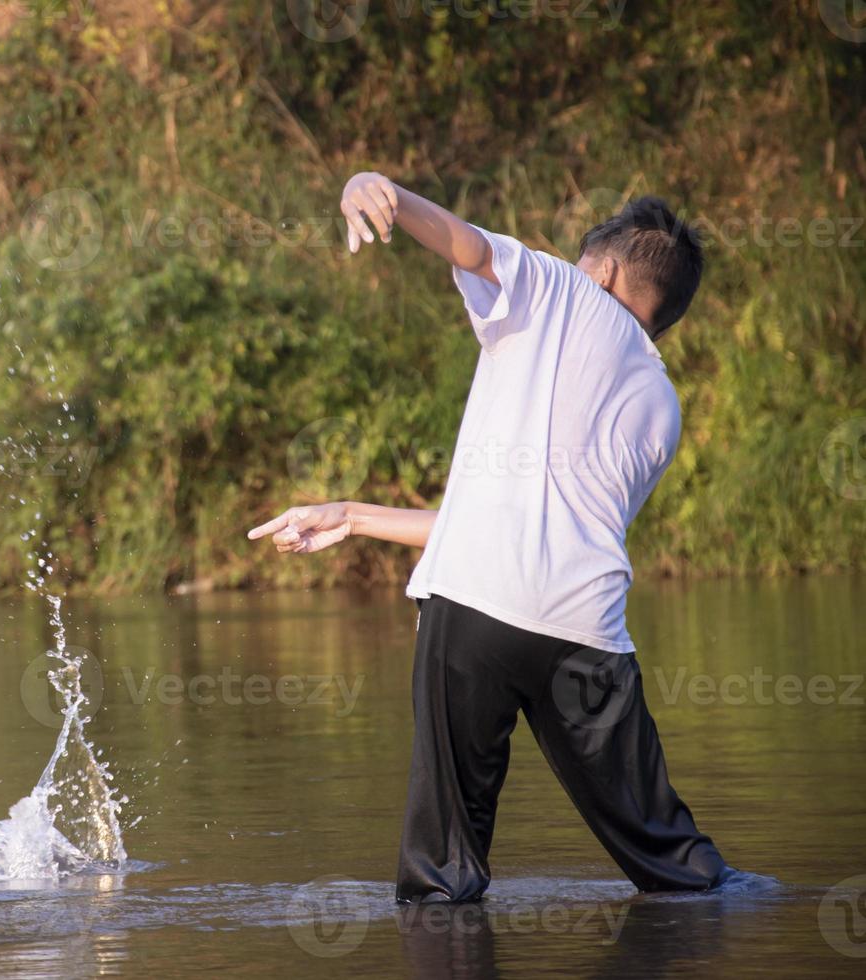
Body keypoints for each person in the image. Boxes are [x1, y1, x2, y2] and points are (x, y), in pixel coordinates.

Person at [248, 172, 729, 903]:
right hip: (586, 634)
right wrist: (350, 515)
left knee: (444, 873)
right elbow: (540, 527)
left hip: (474, 612)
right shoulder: (663, 405)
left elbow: (469, 247)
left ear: (600, 268)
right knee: (676, 865)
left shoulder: (562, 290)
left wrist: (376, 187)